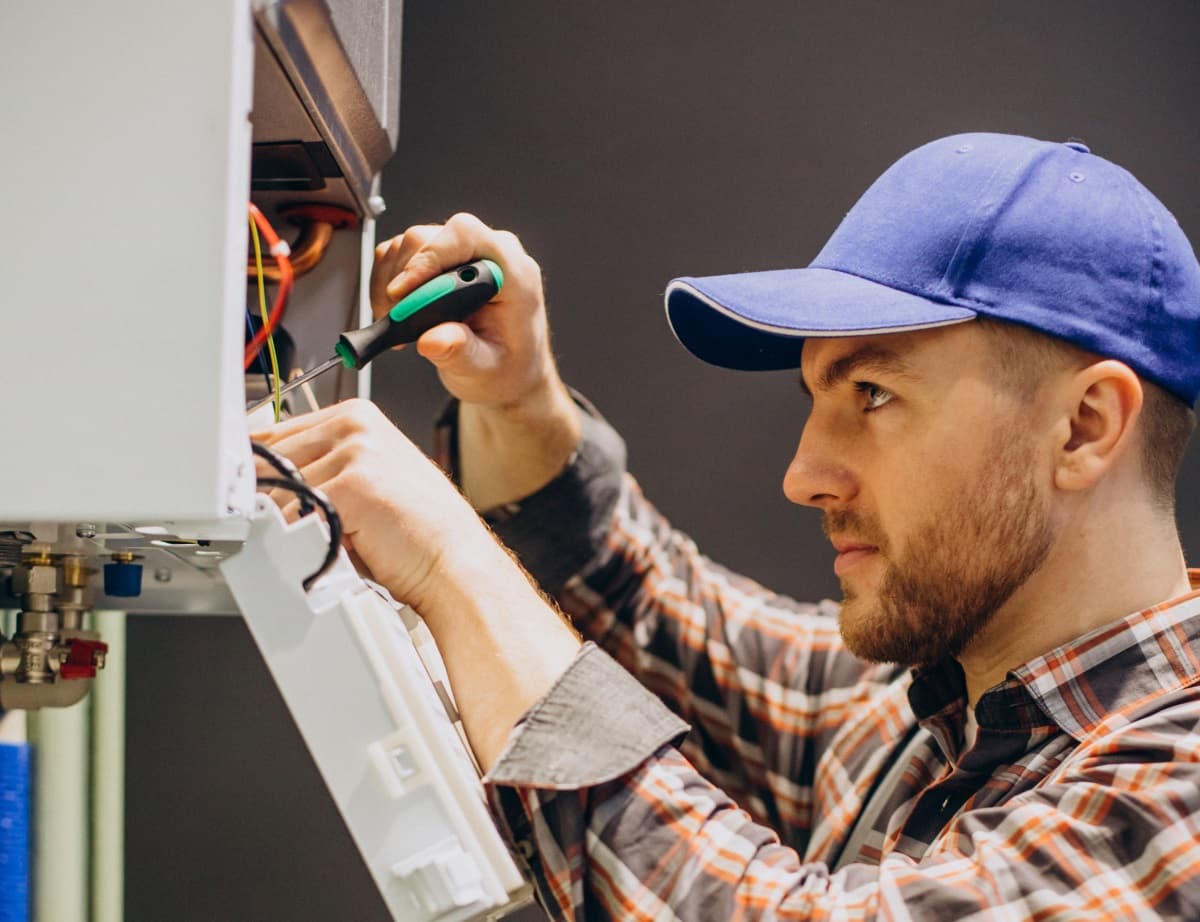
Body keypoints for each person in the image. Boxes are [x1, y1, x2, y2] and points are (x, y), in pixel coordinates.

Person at [254, 133, 1200, 919]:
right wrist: (517, 400)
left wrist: (454, 560)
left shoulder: (1176, 800)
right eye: (815, 397)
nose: (802, 476)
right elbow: (656, 612)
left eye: (873, 394)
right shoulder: (934, 708)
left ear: (1084, 427)